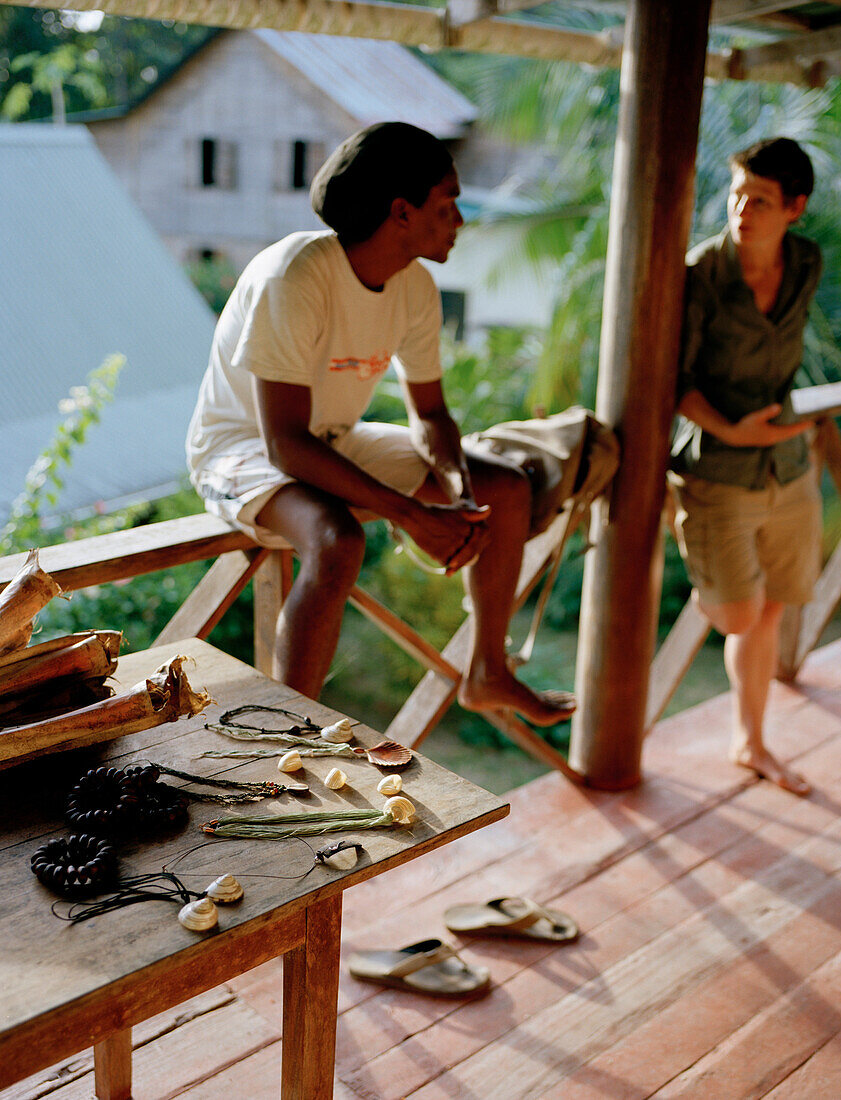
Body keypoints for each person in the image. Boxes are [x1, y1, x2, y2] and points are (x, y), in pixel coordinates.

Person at [186, 121, 575, 727]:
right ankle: (294, 729)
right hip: (240, 450)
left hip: (330, 438)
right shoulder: (295, 274)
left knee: (505, 487)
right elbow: (284, 445)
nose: (460, 221)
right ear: (401, 212)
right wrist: (412, 514)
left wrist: (458, 495)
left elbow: (432, 414)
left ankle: (488, 671)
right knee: (338, 539)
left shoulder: (415, 286)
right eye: (447, 206)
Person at [669, 137, 822, 796]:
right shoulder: (699, 273)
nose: (741, 210)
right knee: (736, 612)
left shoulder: (805, 262)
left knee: (770, 609)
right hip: (716, 464)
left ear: (793, 207)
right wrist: (732, 427)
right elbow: (669, 380)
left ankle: (749, 741)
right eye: (735, 195)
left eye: (758, 200)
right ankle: (696, 557)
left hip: (787, 462)